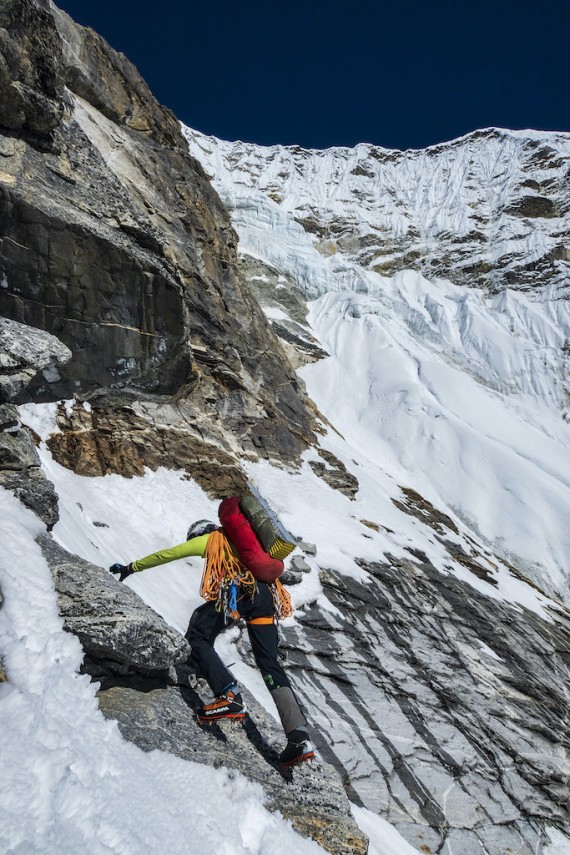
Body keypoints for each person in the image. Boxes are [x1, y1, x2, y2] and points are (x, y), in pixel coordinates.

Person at [110, 519, 314, 768]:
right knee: (270, 664)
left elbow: (168, 554)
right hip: (266, 597)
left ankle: (228, 695)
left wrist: (131, 567)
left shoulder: (211, 540)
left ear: (198, 532)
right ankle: (298, 736)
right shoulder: (248, 547)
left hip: (240, 591)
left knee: (198, 633)